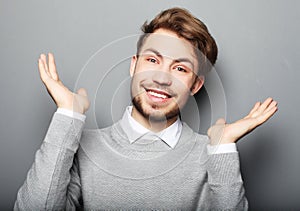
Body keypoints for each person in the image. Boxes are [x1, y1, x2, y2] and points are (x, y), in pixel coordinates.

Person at [14, 7, 277, 210]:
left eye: (180, 68)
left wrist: (223, 148)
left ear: (196, 85)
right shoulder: (82, 147)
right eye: (153, 60)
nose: (162, 78)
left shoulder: (212, 156)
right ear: (134, 66)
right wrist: (67, 116)